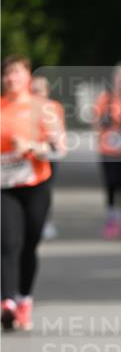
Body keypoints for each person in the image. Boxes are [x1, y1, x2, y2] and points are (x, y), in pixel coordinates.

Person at [1, 56, 66, 330]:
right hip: (5, 186)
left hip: (36, 184)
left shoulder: (46, 108)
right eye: (7, 73)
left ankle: (24, 298)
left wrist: (32, 146)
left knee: (29, 245)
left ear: (28, 77)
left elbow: (59, 148)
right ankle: (7, 303)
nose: (11, 78)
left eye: (17, 72)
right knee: (7, 243)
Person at [93, 62, 121, 239]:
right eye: (119, 79)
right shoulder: (105, 98)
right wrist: (102, 135)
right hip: (108, 150)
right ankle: (111, 220)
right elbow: (95, 122)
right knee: (111, 185)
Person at [31, 74, 65, 241]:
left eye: (40, 90)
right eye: (34, 89)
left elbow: (59, 133)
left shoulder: (54, 107)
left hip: (49, 154)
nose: (37, 93)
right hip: (29, 156)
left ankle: (46, 221)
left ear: (47, 91)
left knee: (45, 189)